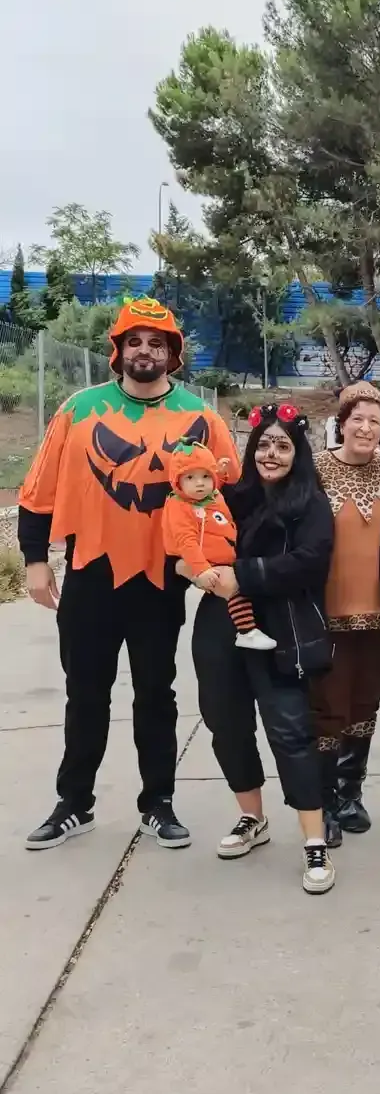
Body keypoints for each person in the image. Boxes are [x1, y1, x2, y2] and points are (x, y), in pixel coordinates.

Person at [19, 297, 238, 851]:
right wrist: (37, 561)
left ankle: (158, 802)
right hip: (91, 575)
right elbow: (38, 492)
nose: (146, 351)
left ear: (172, 354)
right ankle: (75, 803)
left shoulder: (200, 418)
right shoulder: (80, 410)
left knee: (155, 694)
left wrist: (225, 565)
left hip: (161, 577)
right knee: (85, 693)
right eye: (135, 342)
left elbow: (232, 495)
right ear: (119, 352)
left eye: (157, 343)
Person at [190, 403, 337, 895]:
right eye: (264, 445)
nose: (271, 454)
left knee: (291, 732)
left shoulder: (312, 503)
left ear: (297, 454)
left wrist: (246, 575)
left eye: (283, 445)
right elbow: (190, 537)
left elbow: (311, 562)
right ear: (251, 449)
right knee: (225, 724)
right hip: (219, 626)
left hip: (282, 629)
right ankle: (252, 818)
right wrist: (193, 568)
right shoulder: (229, 497)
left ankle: (314, 840)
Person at [310, 382, 380, 846]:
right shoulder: (317, 468)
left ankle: (350, 793)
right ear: (341, 423)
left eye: (374, 422)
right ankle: (323, 802)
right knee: (328, 706)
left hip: (379, 613)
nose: (365, 428)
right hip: (328, 610)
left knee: (365, 703)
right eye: (357, 419)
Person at [162, 440, 275, 651]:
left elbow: (215, 487)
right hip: (204, 561)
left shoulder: (210, 496)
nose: (199, 483)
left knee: (239, 588)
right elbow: (186, 542)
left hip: (219, 555)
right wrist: (201, 569)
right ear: (177, 481)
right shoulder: (180, 507)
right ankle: (247, 631)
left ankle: (248, 630)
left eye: (206, 477)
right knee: (233, 590)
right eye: (190, 477)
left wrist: (219, 473)